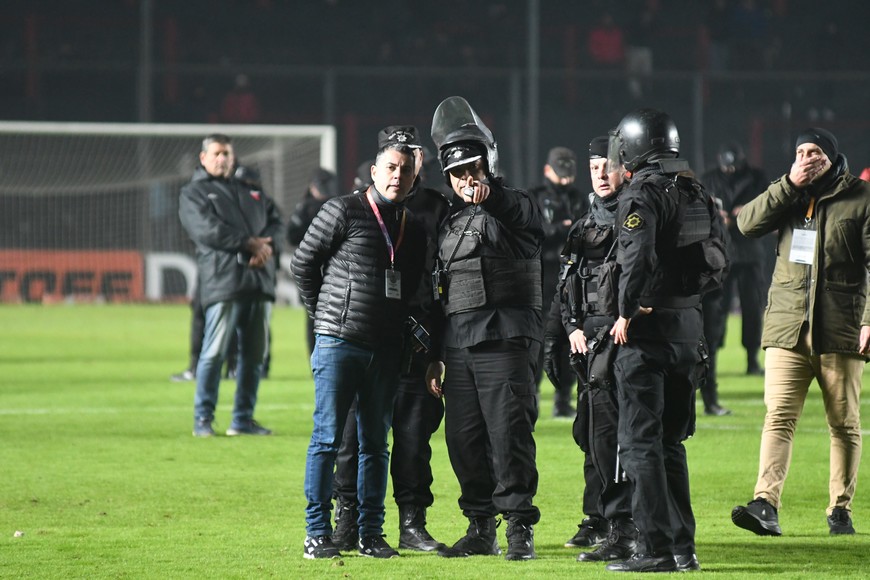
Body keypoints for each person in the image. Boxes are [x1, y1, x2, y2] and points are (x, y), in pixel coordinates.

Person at [292, 136, 428, 560]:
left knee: (375, 445)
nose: (397, 176)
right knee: (327, 439)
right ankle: (317, 532)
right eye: (390, 167)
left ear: (414, 177)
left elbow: (410, 288)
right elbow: (302, 263)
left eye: (405, 170)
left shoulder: (413, 226)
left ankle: (371, 533)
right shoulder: (342, 209)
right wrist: (324, 315)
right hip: (339, 342)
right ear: (374, 171)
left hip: (385, 349)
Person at [731, 127, 870, 537]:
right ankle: (765, 504)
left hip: (840, 328)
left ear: (831, 157)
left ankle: (840, 509)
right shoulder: (788, 194)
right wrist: (789, 185)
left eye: (815, 152)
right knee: (778, 417)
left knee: (843, 423)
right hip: (787, 327)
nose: (807, 158)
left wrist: (869, 319)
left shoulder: (861, 197)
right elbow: (745, 224)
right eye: (800, 152)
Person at [605, 108, 727, 573]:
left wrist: (626, 309)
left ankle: (654, 549)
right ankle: (683, 548)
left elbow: (634, 258)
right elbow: (719, 261)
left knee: (640, 443)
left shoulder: (643, 192)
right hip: (689, 330)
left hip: (648, 332)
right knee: (672, 444)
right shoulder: (697, 190)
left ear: (633, 147)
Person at [425, 96, 544, 561]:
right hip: (459, 345)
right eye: (457, 173)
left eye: (473, 169)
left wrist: (490, 195)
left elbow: (522, 214)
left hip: (504, 338)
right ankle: (480, 527)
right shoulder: (449, 220)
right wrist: (436, 354)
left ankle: (518, 527)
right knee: (463, 440)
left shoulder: (515, 205)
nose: (466, 180)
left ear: (488, 166)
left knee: (509, 435)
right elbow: (441, 291)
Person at [330, 126, 455, 554]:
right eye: (395, 158)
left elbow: (446, 277)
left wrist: (438, 348)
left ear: (420, 160)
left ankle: (412, 523)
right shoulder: (358, 206)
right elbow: (321, 269)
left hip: (418, 338)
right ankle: (347, 520)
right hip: (369, 337)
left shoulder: (439, 207)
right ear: (379, 162)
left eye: (412, 155)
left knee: (414, 436)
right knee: (353, 436)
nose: (403, 167)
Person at [544, 135, 638, 562]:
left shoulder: (639, 215)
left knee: (621, 436)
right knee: (591, 433)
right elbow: (566, 285)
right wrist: (565, 330)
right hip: (589, 343)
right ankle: (596, 518)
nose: (600, 174)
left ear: (624, 168)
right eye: (594, 167)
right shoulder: (584, 225)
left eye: (608, 166)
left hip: (627, 339)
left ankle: (628, 523)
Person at [178, 134, 282, 437]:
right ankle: (203, 419)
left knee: (254, 356)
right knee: (214, 352)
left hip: (259, 280)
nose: (223, 159)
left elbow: (277, 222)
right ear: (203, 158)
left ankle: (242, 420)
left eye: (227, 153)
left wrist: (267, 246)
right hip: (223, 281)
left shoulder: (251, 191)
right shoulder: (194, 193)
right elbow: (207, 231)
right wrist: (249, 244)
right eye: (217, 153)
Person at [701, 142, 769, 383]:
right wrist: (717, 218)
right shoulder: (708, 179)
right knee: (716, 309)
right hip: (720, 253)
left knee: (752, 307)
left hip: (749, 252)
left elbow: (767, 208)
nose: (729, 171)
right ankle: (711, 359)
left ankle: (752, 359)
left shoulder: (757, 178)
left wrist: (746, 213)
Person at [531, 146, 587, 418]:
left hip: (570, 278)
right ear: (547, 170)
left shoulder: (579, 199)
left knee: (569, 338)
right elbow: (531, 233)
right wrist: (559, 230)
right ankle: (531, 396)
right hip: (541, 278)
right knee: (537, 341)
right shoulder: (533, 197)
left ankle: (563, 399)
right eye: (560, 173)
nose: (565, 179)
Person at [286, 167, 339, 355]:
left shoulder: (327, 206)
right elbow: (291, 236)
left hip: (322, 269)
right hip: (321, 269)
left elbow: (292, 236)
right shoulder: (336, 206)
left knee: (315, 317)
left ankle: (318, 359)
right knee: (321, 317)